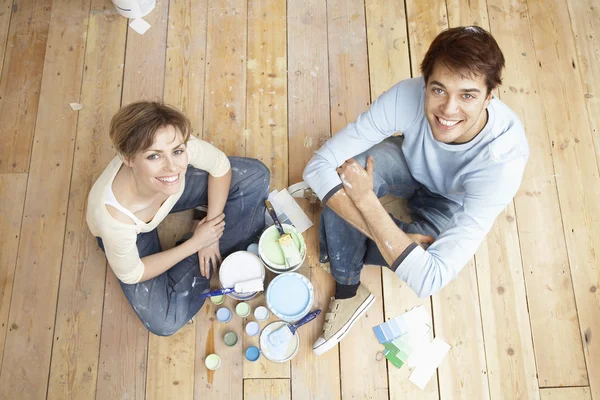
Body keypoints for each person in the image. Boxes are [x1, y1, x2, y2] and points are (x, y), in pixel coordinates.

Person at [302, 26, 529, 356]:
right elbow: (317, 167)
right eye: (439, 90)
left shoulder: (503, 161)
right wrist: (390, 234)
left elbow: (430, 280)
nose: (448, 110)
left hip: (451, 201)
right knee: (345, 182)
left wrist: (363, 201)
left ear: (489, 96)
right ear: (425, 84)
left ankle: (338, 225)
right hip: (407, 161)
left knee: (346, 196)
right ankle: (348, 286)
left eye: (467, 95)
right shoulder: (406, 95)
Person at [87, 101, 269, 336]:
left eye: (177, 152)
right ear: (129, 159)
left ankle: (207, 224)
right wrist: (196, 243)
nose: (172, 166)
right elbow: (132, 273)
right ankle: (205, 242)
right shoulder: (114, 221)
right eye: (154, 156)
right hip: (135, 233)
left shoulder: (174, 144)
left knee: (256, 176)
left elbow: (220, 166)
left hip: (165, 194)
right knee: (165, 320)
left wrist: (212, 229)